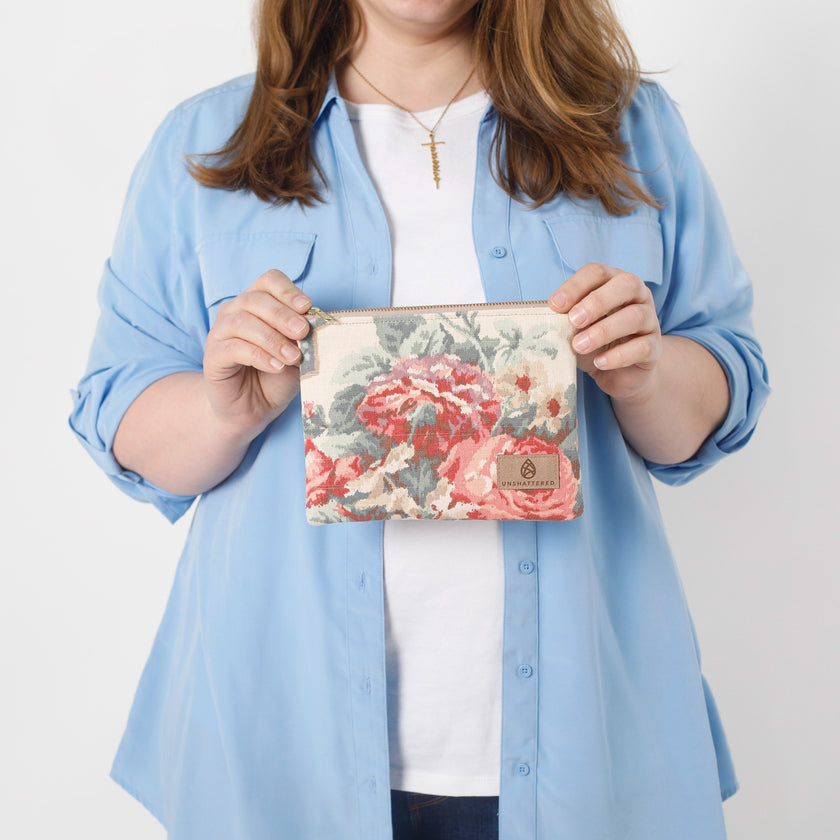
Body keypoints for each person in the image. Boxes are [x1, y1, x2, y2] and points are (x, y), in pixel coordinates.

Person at [68, 1, 769, 838]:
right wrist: (225, 412)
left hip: (589, 755)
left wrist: (646, 376)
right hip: (276, 754)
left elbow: (720, 387)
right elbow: (119, 415)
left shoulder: (629, 128)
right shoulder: (208, 142)